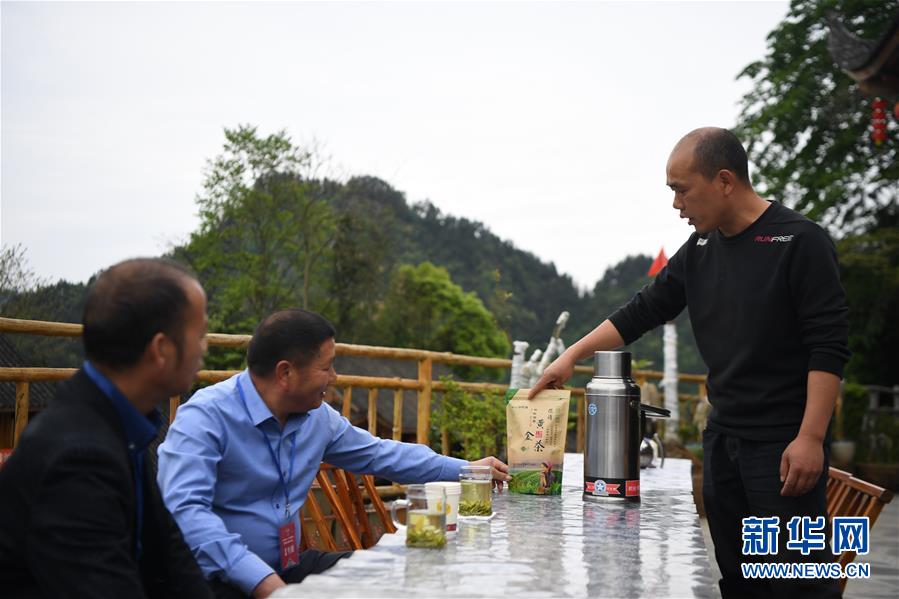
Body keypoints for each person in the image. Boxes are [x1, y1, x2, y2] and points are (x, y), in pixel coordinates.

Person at [530, 128, 848, 599]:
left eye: (682, 190)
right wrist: (571, 356)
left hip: (783, 447)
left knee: (795, 584)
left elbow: (829, 345)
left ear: (724, 181)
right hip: (723, 441)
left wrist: (811, 438)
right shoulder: (701, 249)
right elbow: (642, 311)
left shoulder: (799, 241)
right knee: (738, 579)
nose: (677, 205)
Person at [157, 308, 511, 599]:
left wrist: (468, 469)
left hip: (287, 568)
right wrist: (265, 584)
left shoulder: (318, 418)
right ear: (285, 372)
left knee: (392, 575)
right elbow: (185, 512)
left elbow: (383, 454)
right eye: (326, 367)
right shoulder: (205, 417)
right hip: (212, 581)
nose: (335, 378)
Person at [0, 258, 213, 599]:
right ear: (161, 349)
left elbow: (172, 558)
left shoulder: (119, 420)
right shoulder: (77, 457)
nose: (206, 347)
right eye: (200, 334)